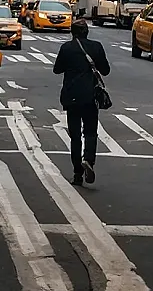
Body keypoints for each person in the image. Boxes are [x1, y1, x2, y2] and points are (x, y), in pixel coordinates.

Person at [53, 18, 110, 186]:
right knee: (91, 132)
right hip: (91, 96)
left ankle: (77, 173)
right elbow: (105, 70)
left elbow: (57, 70)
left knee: (75, 136)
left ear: (72, 33)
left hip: (71, 96)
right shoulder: (96, 47)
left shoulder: (66, 48)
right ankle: (89, 161)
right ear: (87, 32)